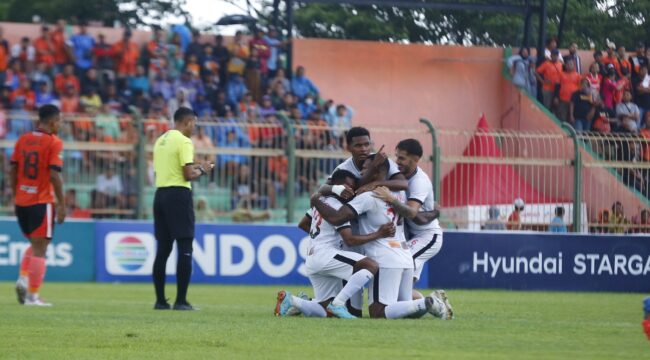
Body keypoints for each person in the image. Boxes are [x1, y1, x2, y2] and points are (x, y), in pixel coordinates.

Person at [310, 155, 452, 320]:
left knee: (378, 312)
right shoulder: (399, 195)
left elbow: (337, 217)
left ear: (376, 172)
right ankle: (426, 304)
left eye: (366, 169)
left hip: (384, 257)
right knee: (403, 310)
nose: (362, 173)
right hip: (404, 255)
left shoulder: (368, 196)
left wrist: (315, 199)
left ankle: (428, 302)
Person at [275, 169, 392, 319]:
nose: (350, 191)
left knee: (324, 309)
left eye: (352, 187)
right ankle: (339, 303)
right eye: (347, 186)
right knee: (371, 266)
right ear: (337, 186)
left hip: (312, 257)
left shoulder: (322, 201)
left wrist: (321, 236)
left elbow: (303, 224)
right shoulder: (337, 207)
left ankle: (292, 301)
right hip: (326, 255)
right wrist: (379, 234)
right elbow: (349, 239)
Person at [152, 107, 214, 311]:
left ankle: (160, 301)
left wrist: (196, 166)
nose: (195, 128)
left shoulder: (160, 141)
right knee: (185, 247)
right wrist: (203, 170)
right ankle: (181, 301)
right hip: (178, 195)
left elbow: (171, 169)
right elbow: (187, 175)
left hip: (160, 194)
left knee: (163, 250)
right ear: (187, 121)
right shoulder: (184, 141)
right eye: (194, 123)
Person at [371, 139, 447, 300]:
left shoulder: (419, 181)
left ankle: (429, 303)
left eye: (402, 158)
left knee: (398, 265)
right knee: (400, 292)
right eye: (397, 156)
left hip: (427, 236)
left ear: (416, 159)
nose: (397, 162)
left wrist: (391, 199)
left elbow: (413, 214)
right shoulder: (399, 174)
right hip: (412, 237)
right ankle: (431, 303)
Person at [11, 104, 65, 306]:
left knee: (35, 244)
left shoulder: (23, 139)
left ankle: (23, 279)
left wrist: (17, 191)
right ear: (52, 122)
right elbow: (54, 174)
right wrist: (62, 203)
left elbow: (13, 169)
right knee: (41, 249)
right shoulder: (54, 142)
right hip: (42, 201)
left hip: (21, 200)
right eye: (59, 121)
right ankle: (32, 296)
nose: (59, 124)